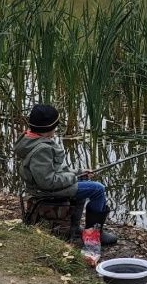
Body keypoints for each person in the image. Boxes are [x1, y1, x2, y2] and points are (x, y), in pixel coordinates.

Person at [14, 104, 117, 245]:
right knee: (98, 189)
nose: (56, 129)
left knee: (86, 184)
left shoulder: (30, 139)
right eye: (55, 126)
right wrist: (74, 178)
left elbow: (55, 170)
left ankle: (74, 230)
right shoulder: (41, 150)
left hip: (44, 187)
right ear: (48, 128)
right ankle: (94, 234)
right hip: (45, 190)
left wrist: (79, 173)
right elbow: (48, 181)